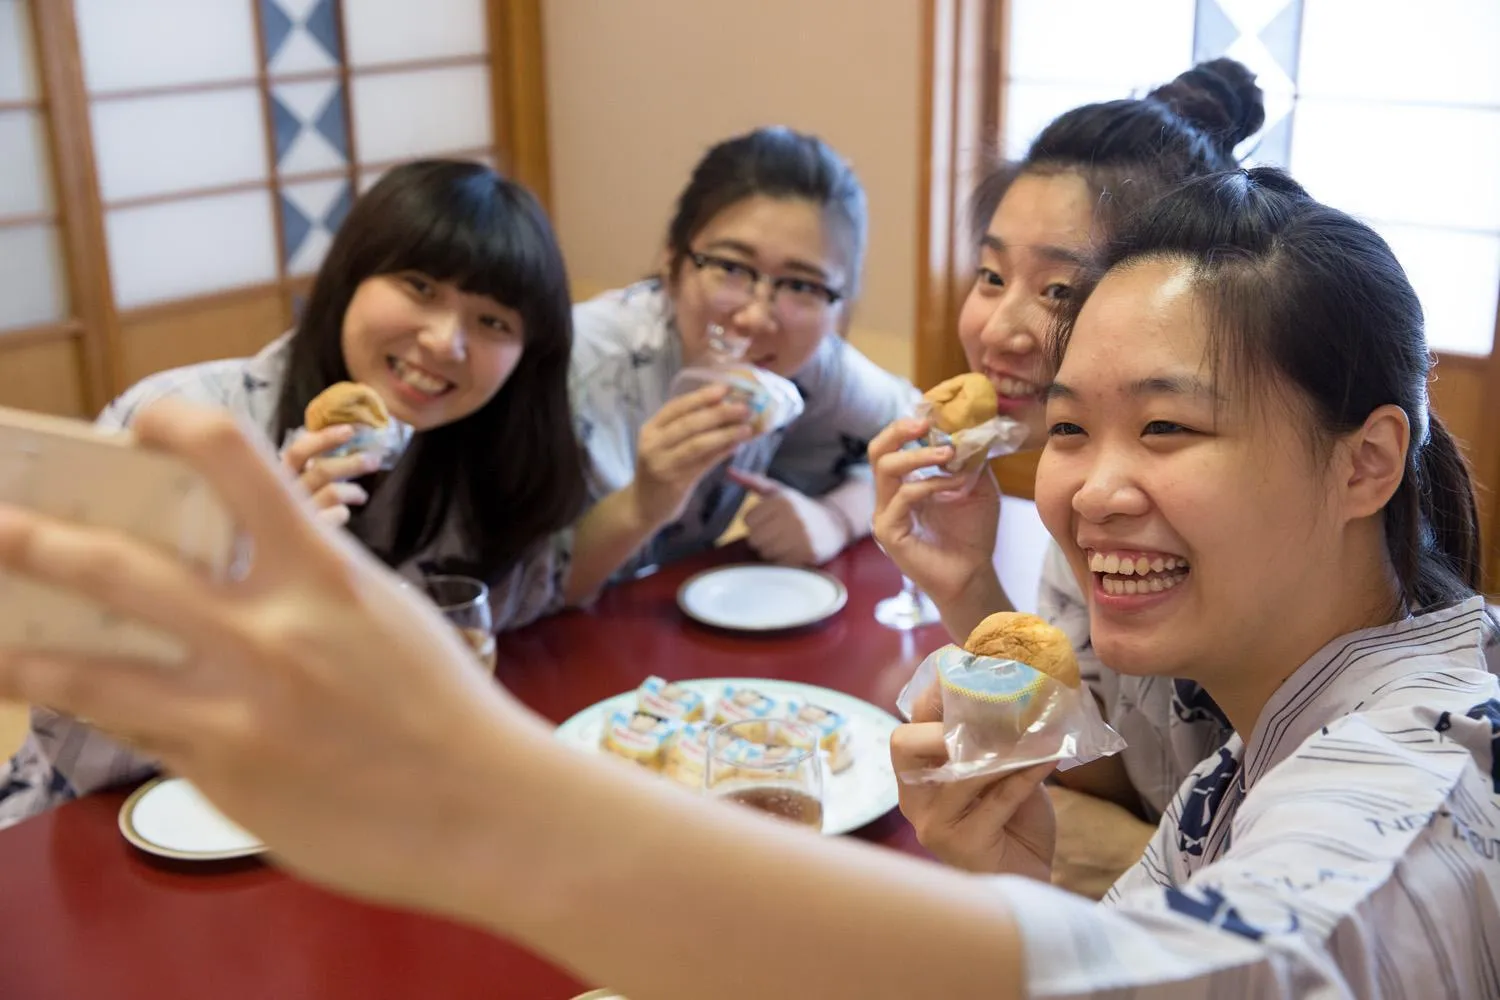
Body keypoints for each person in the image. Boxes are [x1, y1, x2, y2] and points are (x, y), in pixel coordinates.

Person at [2, 168, 1496, 998]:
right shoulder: (198, 427)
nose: (1088, 484)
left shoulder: (1423, 768)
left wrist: (478, 808)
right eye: (1074, 431)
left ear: (1368, 461)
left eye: (1165, 426)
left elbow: (1258, 969)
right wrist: (1009, 874)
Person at [0, 160, 679, 827]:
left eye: (492, 322)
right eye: (419, 287)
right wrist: (237, 572)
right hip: (124, 824)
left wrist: (654, 496)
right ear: (352, 275)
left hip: (366, 817)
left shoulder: (489, 454)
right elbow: (74, 719)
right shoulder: (181, 422)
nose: (445, 341)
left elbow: (520, 615)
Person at [870, 59, 1265, 894]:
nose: (999, 327)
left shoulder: (1246, 520)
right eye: (990, 275)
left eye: (1058, 287)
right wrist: (967, 579)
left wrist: (1118, 863)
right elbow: (1122, 767)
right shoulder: (1082, 494)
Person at [569, 126, 917, 575]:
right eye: (731, 267)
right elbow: (515, 590)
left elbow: (928, 442)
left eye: (799, 285)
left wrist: (836, 516)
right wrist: (640, 507)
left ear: (839, 304)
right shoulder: (590, 364)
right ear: (672, 261)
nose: (755, 317)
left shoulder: (809, 364)